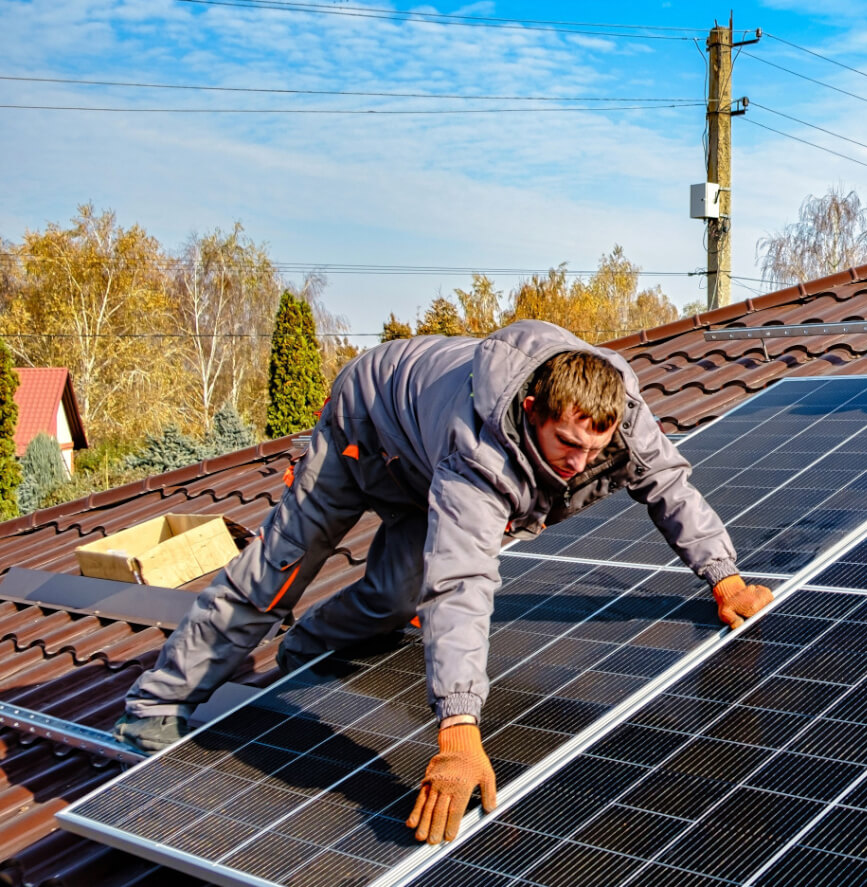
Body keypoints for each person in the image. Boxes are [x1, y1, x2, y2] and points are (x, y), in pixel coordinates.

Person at [111, 320, 774, 844]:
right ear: (532, 407)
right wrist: (459, 728)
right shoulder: (479, 447)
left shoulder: (616, 413)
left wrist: (726, 577)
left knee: (399, 594)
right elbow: (462, 581)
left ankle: (309, 647)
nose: (578, 464)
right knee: (278, 570)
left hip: (421, 453)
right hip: (367, 431)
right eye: (565, 443)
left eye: (593, 450)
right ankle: (154, 706)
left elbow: (670, 487)